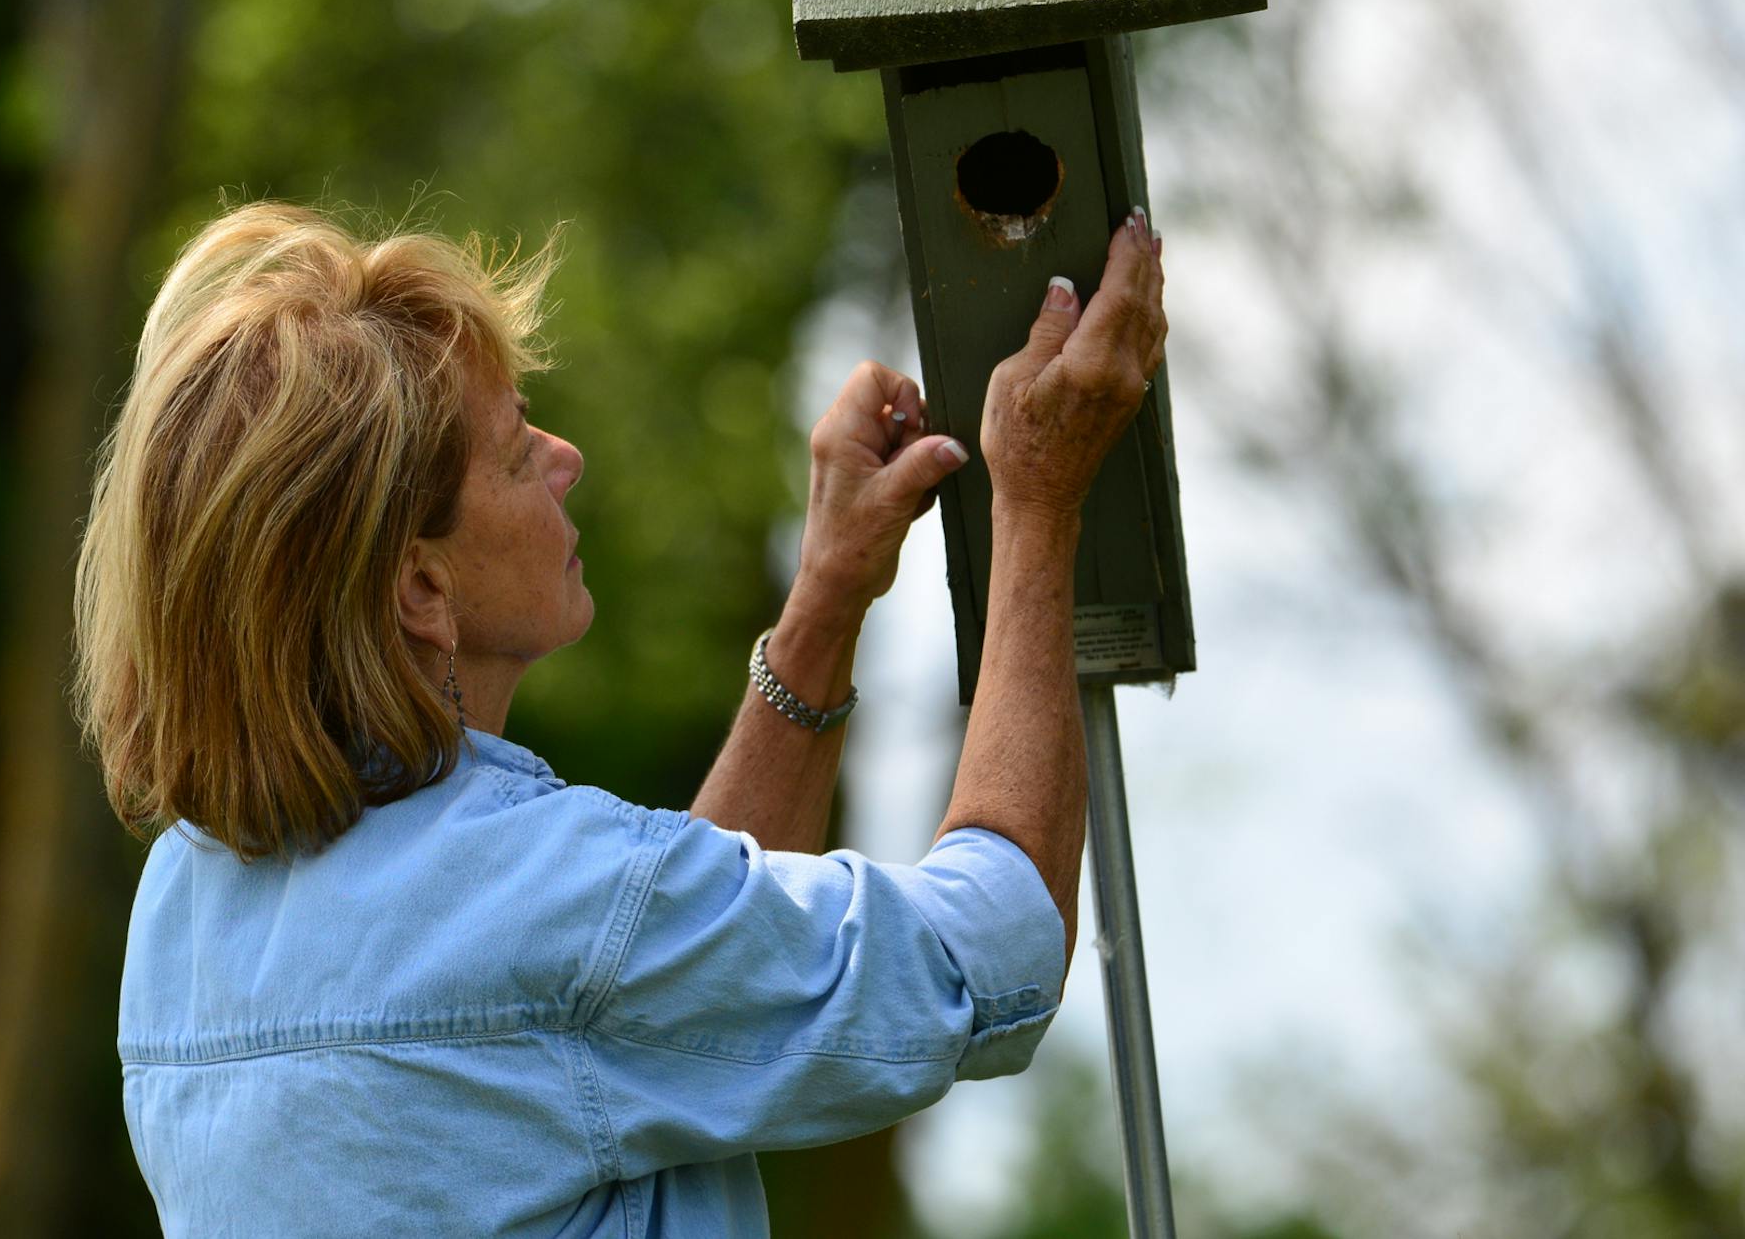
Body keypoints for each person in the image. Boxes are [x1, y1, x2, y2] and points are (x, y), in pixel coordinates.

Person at [74, 198, 1168, 1236]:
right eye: (516, 450)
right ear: (421, 588)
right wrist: (1037, 502)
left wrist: (827, 599)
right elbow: (989, 957)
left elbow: (668, 988)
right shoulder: (540, 893)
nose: (566, 458)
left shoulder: (182, 910)